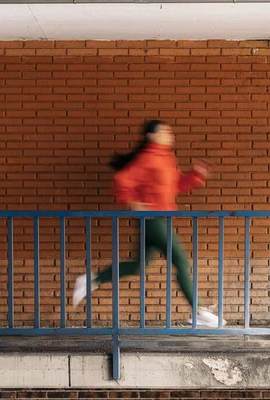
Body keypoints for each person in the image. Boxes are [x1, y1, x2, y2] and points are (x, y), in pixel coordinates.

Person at [72, 120, 225, 328]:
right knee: (180, 260)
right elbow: (122, 180)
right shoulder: (148, 158)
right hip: (153, 219)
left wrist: (196, 175)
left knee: (137, 266)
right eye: (165, 131)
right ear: (151, 136)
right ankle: (198, 311)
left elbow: (177, 185)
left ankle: (91, 280)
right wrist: (133, 202)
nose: (170, 135)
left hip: (158, 220)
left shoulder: (167, 158)